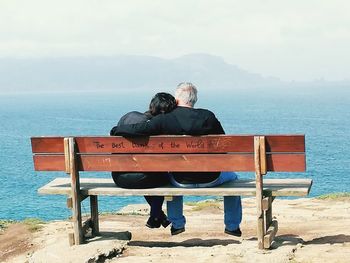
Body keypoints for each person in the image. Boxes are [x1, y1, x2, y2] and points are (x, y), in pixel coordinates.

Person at [110, 83, 242, 237]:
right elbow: (223, 145)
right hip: (212, 177)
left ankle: (177, 224)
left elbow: (139, 129)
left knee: (172, 173)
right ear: (194, 100)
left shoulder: (165, 119)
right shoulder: (208, 116)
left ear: (177, 100)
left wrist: (116, 130)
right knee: (233, 178)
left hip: (180, 180)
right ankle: (232, 226)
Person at [110, 92, 177, 229]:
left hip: (119, 177)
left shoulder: (128, 117)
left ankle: (157, 216)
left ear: (151, 105)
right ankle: (155, 215)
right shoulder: (158, 127)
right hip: (145, 179)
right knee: (158, 171)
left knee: (146, 168)